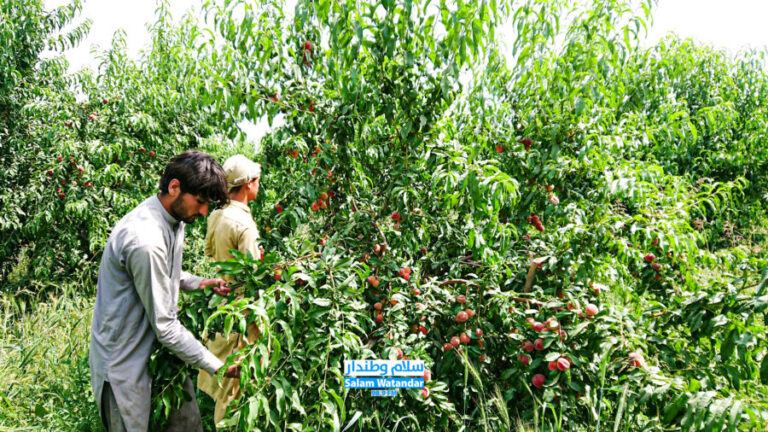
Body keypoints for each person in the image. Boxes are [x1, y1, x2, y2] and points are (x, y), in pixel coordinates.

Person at [89, 150, 240, 432]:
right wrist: (217, 366)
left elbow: (162, 272)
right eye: (200, 202)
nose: (203, 212)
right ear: (174, 187)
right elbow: (166, 327)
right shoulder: (144, 239)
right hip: (124, 363)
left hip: (160, 354)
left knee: (187, 425)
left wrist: (197, 282)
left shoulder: (175, 218)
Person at [198, 154, 263, 424]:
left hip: (223, 308)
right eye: (257, 180)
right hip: (243, 315)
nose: (258, 184)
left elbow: (210, 253)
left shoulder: (216, 215)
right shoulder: (244, 225)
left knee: (226, 381)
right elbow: (253, 274)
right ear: (248, 184)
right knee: (234, 390)